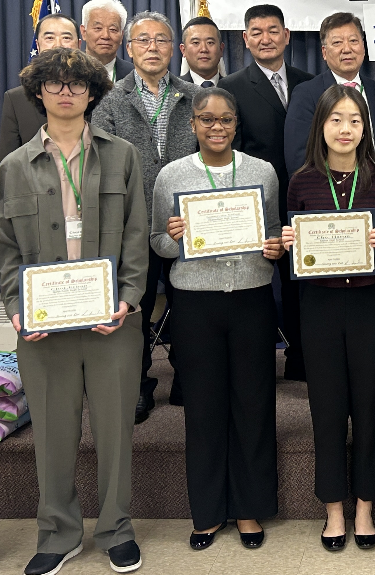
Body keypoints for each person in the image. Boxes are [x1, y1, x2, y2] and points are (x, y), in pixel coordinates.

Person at [0, 47, 148, 575]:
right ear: (39, 92)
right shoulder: (14, 166)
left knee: (115, 432)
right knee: (53, 434)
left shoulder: (122, 156)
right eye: (54, 84)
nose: (65, 93)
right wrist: (18, 309)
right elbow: (3, 248)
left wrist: (127, 298)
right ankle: (58, 533)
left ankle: (116, 529)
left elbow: (136, 233)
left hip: (112, 322)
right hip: (43, 328)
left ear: (91, 93)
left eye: (77, 84)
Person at [149, 86, 284, 552]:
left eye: (225, 119)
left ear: (236, 123)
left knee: (253, 405)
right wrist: (172, 238)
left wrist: (274, 248)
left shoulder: (262, 172)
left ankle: (249, 508)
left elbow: (272, 233)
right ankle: (207, 512)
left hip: (251, 298)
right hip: (195, 303)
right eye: (207, 119)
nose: (217, 127)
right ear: (193, 124)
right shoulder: (171, 175)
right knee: (203, 409)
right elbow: (158, 242)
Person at [281, 85, 375, 551]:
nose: (345, 129)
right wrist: (290, 245)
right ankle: (333, 508)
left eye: (354, 120)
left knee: (370, 407)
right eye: (336, 120)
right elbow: (294, 251)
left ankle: (366, 506)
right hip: (320, 306)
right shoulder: (302, 181)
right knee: (327, 408)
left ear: (365, 128)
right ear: (321, 126)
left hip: (371, 306)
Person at [92, 10, 198, 423]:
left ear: (174, 49)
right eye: (143, 40)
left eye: (161, 40)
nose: (152, 48)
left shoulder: (194, 96)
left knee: (188, 305)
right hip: (132, 223)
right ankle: (137, 384)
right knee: (133, 305)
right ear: (129, 48)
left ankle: (188, 378)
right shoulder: (109, 100)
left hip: (186, 222)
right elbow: (101, 165)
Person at [219, 4, 314, 381]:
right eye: (256, 32)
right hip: (256, 202)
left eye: (273, 30)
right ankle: (254, 362)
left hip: (305, 200)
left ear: (286, 35)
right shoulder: (231, 87)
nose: (265, 38)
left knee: (300, 282)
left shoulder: (309, 82)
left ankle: (301, 356)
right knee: (255, 283)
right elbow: (231, 149)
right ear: (245, 39)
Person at [285, 12, 375, 176]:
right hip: (328, 186)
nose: (347, 49)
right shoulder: (306, 93)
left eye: (353, 41)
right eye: (337, 42)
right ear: (324, 52)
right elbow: (298, 157)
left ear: (363, 47)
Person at [0, 12, 80, 157]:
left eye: (66, 38)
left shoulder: (91, 93)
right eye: (49, 38)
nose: (58, 45)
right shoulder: (16, 99)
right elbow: (8, 162)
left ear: (79, 45)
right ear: (37, 45)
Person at [80, 0, 134, 82]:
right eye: (98, 28)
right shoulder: (69, 71)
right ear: (83, 32)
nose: (106, 36)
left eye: (113, 29)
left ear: (121, 36)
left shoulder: (134, 75)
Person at [179, 15, 225, 85]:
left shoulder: (235, 88)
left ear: (221, 48)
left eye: (210, 42)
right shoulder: (171, 89)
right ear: (183, 50)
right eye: (196, 43)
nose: (204, 49)